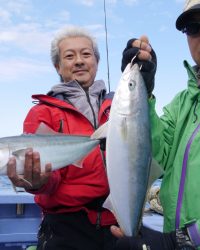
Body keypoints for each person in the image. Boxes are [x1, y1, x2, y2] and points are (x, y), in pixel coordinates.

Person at [112, 0, 200, 249]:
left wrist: (184, 241)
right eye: (193, 28)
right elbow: (157, 154)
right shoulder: (184, 102)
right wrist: (142, 95)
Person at [7, 26, 117, 250]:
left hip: (118, 220)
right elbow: (50, 179)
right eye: (69, 56)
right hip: (67, 227)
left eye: (86, 54)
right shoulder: (43, 113)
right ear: (58, 66)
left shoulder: (119, 107)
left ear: (96, 61)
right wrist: (39, 182)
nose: (79, 61)